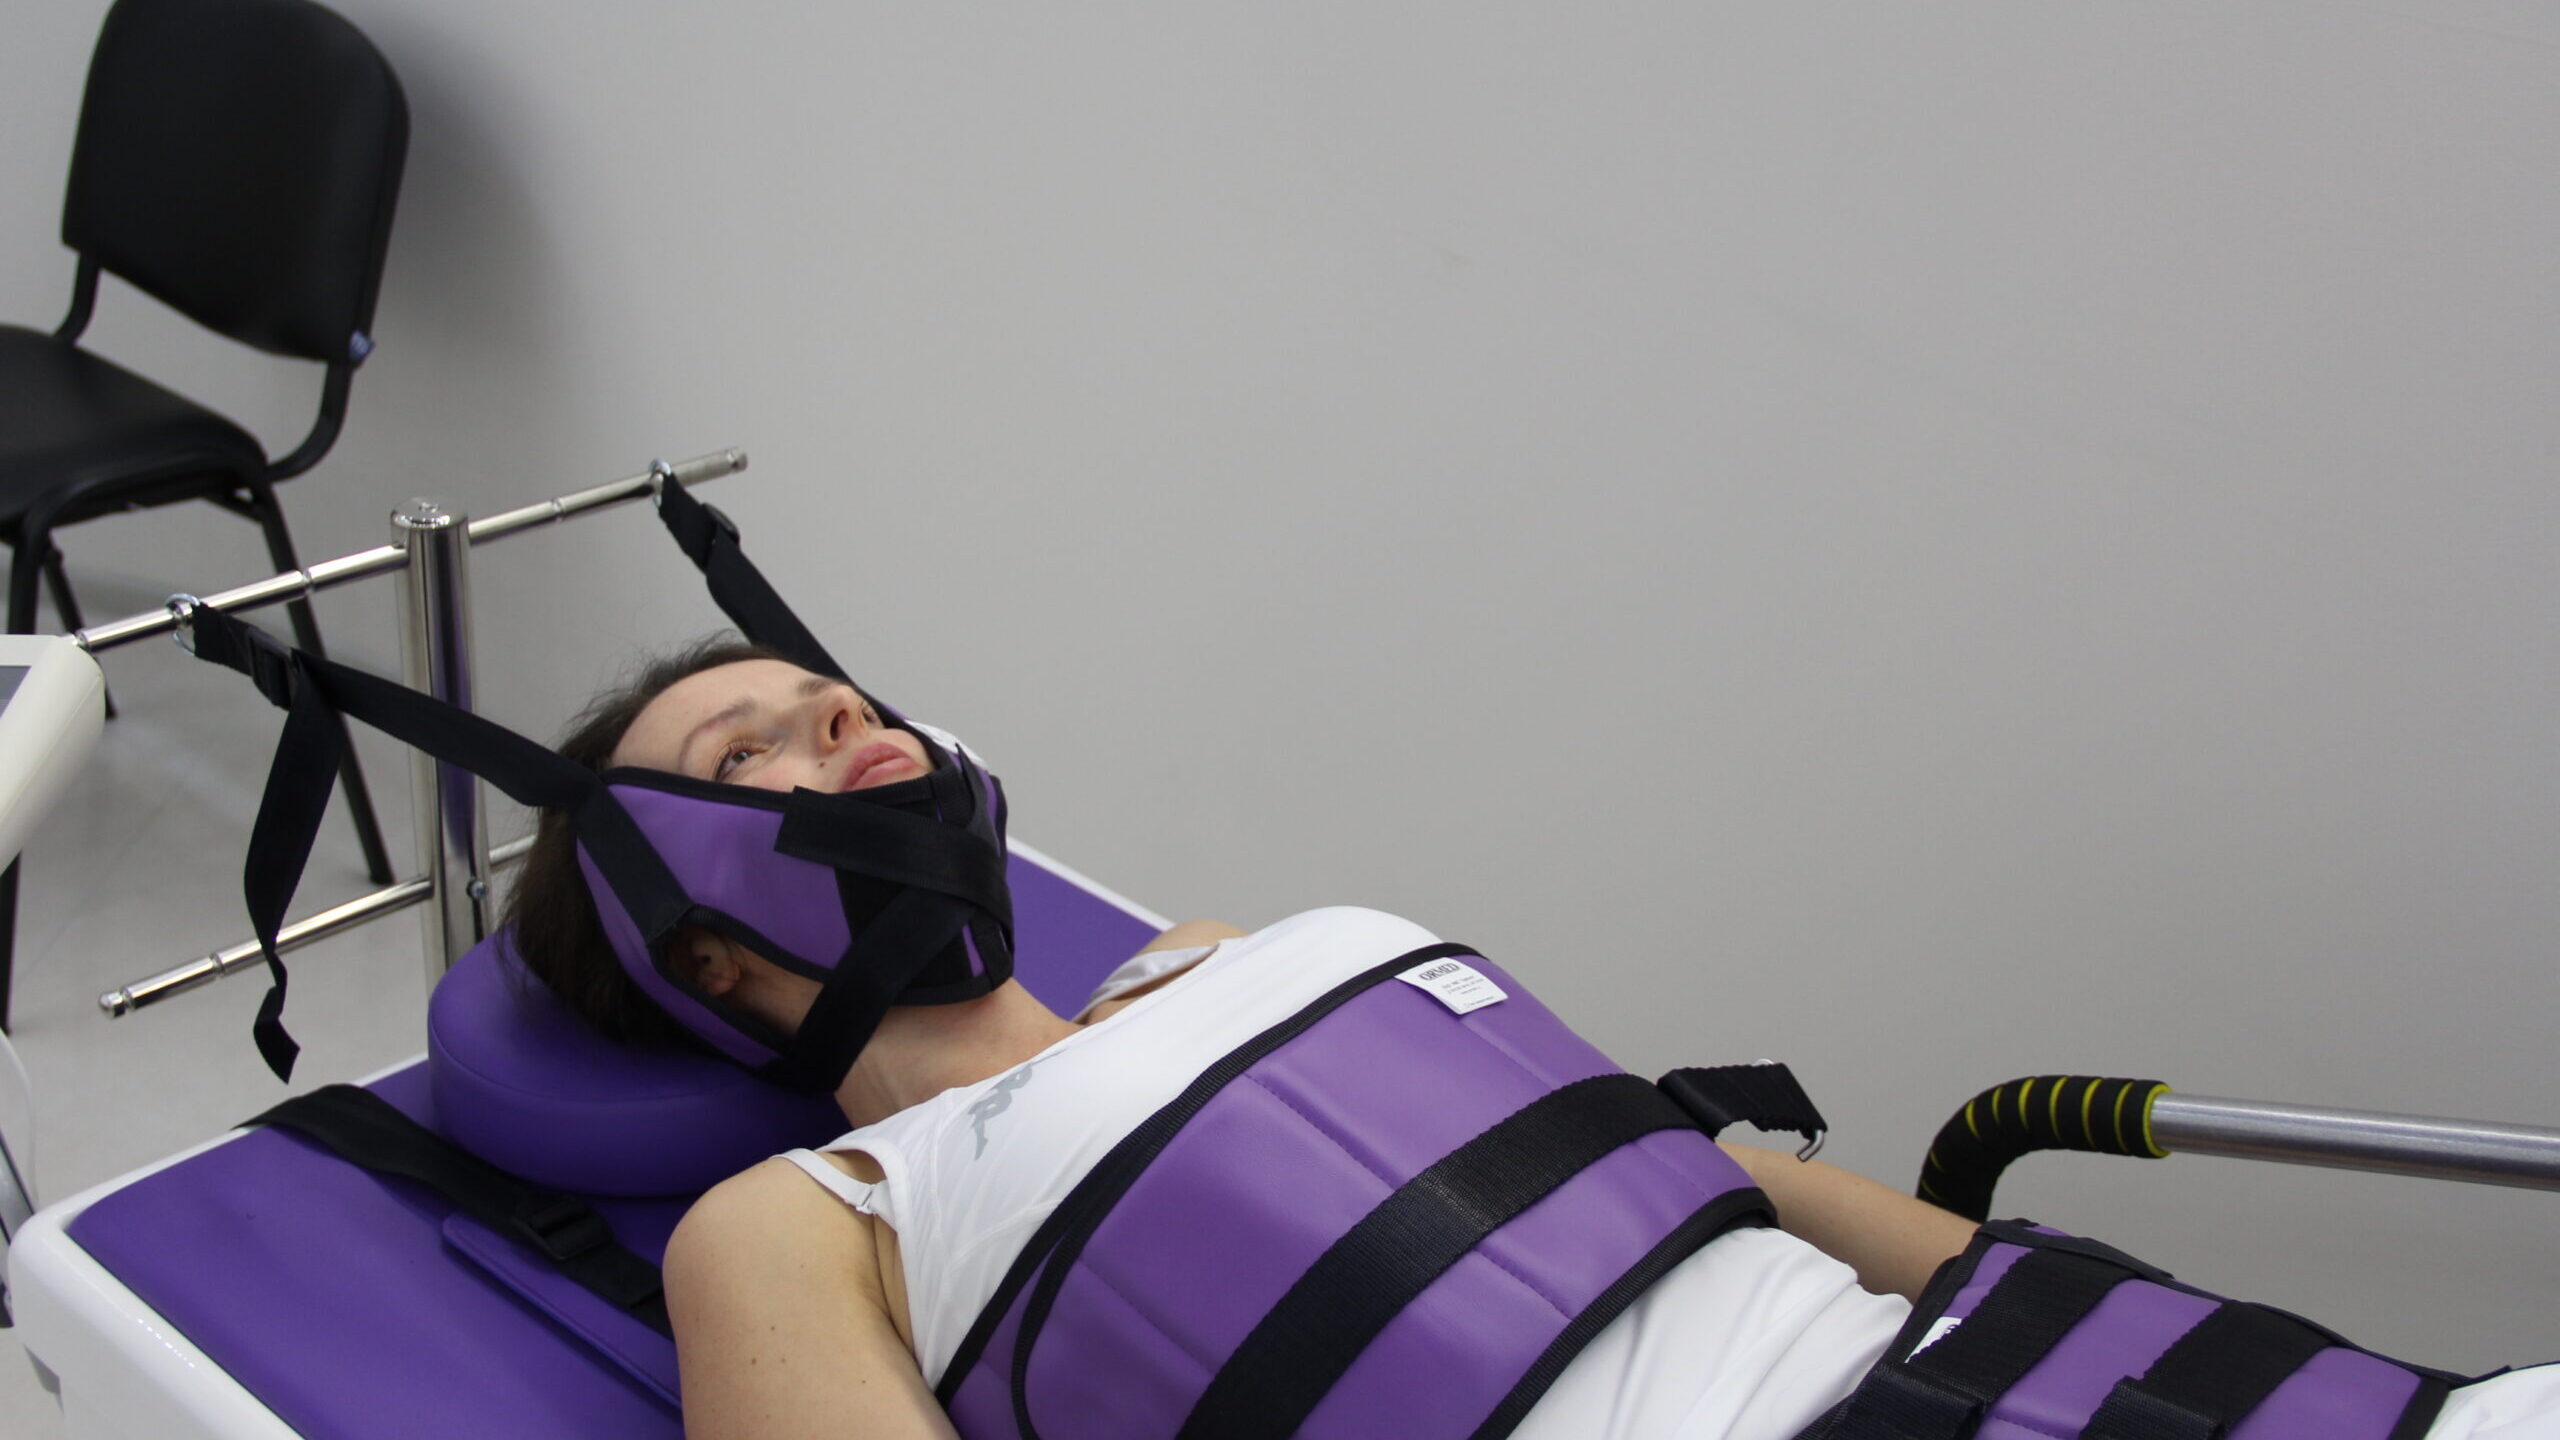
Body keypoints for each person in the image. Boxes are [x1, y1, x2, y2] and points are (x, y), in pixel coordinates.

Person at [501, 643, 2557, 1440]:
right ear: (704, 956)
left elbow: (1685, 1179)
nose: (842, 731)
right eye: (747, 755)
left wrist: (2096, 1310)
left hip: (2082, 1385)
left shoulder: (1238, 957)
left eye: (841, 701)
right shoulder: (811, 1221)